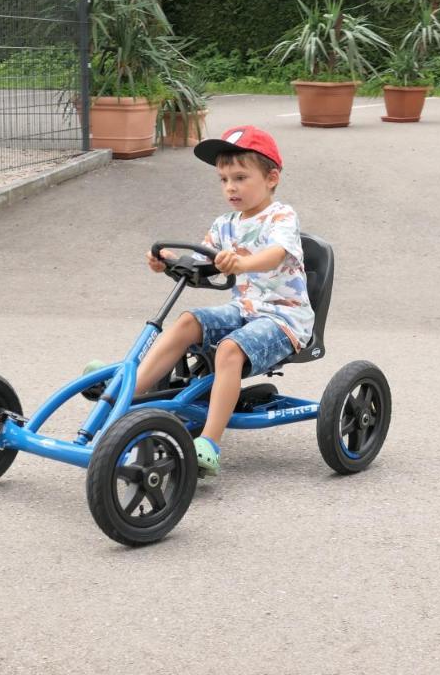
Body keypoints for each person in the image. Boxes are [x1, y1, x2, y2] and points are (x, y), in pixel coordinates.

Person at [102, 125, 313, 478]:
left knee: (228, 350)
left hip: (283, 320)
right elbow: (204, 260)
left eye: (241, 177)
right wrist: (167, 260)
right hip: (243, 310)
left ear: (271, 177)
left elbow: (277, 254)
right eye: (224, 179)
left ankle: (209, 445)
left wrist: (243, 262)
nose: (231, 187)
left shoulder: (281, 217)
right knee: (187, 321)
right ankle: (122, 399)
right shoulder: (224, 224)